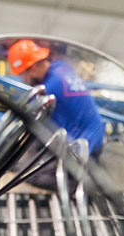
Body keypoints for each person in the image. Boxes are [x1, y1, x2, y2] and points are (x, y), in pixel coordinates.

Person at [7, 39, 104, 188]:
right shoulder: (61, 68)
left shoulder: (48, 92)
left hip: (83, 149)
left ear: (32, 69)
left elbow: (31, 123)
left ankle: (81, 186)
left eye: (22, 74)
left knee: (26, 174)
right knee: (36, 145)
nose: (23, 79)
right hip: (95, 137)